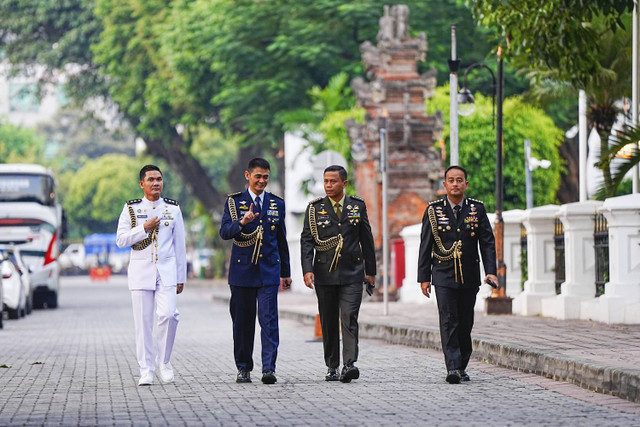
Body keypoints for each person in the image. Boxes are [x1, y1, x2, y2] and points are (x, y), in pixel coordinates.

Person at [417, 165, 497, 384]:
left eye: (459, 180)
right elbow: (426, 245)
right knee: (448, 319)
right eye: (451, 180)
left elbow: (487, 242)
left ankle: (462, 364)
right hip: (443, 275)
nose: (455, 184)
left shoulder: (477, 209)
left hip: (469, 275)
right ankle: (452, 367)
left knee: (465, 321)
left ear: (466, 184)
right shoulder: (433, 211)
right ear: (445, 185)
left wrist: (491, 272)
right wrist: (424, 278)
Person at [300, 165, 376, 383]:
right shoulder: (315, 209)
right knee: (328, 320)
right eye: (325, 181)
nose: (328, 185)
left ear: (344, 183)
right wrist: (307, 270)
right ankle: (332, 366)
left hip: (352, 272)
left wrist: (371, 272)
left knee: (349, 317)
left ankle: (349, 364)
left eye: (333, 181)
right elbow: (307, 241)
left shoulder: (357, 206)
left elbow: (367, 240)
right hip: (324, 273)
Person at [219, 158, 292, 385]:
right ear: (247, 175)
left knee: (269, 321)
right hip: (242, 272)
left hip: (269, 271)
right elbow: (224, 232)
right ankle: (243, 368)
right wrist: (242, 222)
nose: (262, 181)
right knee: (243, 322)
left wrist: (286, 272)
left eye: (266, 177)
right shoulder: (234, 203)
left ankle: (269, 369)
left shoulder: (276, 204)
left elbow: (281, 239)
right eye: (258, 176)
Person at [116, 164, 186, 386]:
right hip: (140, 271)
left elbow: (180, 245)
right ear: (141, 184)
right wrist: (143, 228)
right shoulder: (131, 209)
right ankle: (146, 369)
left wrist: (180, 276)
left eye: (159, 179)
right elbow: (121, 240)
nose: (156, 183)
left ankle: (164, 362)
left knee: (169, 315)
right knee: (144, 323)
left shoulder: (173, 209)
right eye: (151, 179)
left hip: (166, 271)